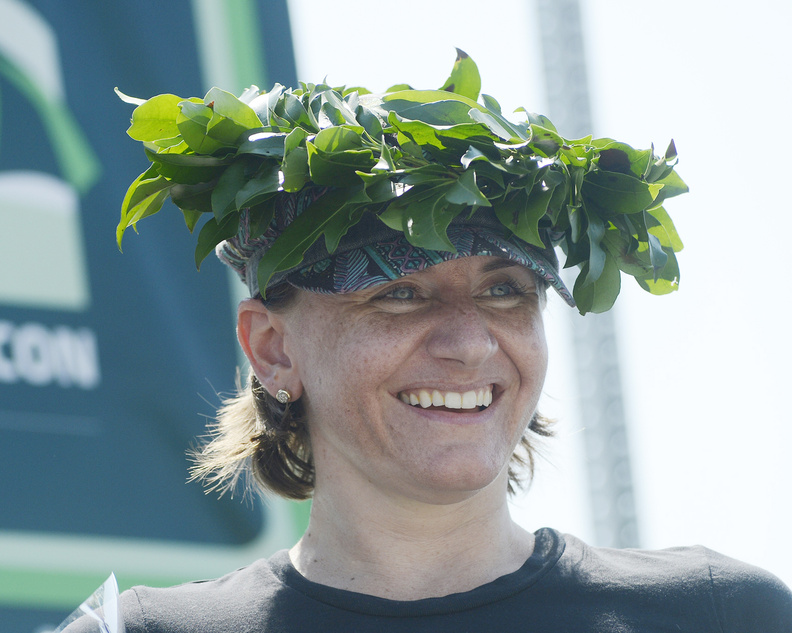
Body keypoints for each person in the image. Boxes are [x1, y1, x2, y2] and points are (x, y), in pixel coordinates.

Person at [70, 52, 792, 631]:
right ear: (272, 348)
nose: (471, 343)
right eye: (399, 292)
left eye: (505, 289)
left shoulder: (719, 614)